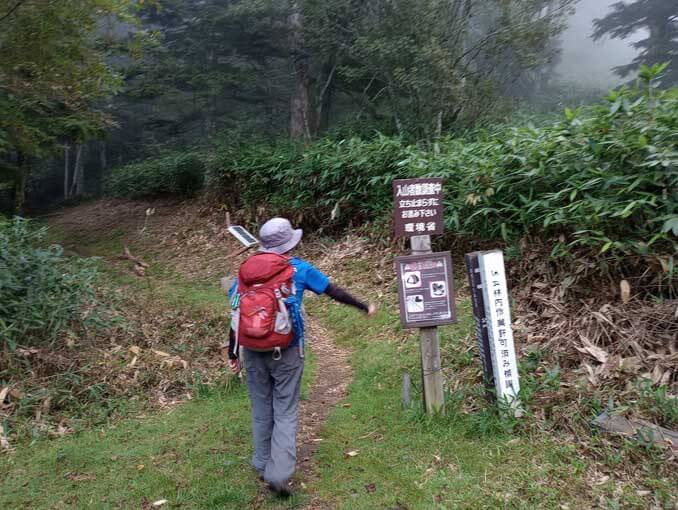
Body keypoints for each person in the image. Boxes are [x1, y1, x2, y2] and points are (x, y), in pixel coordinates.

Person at [222, 217, 375, 497]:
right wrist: (363, 306)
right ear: (289, 243)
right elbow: (332, 291)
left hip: (252, 351)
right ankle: (278, 473)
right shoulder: (298, 268)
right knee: (285, 409)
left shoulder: (246, 271)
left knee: (260, 408)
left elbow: (236, 311)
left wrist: (233, 352)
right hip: (288, 351)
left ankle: (261, 463)